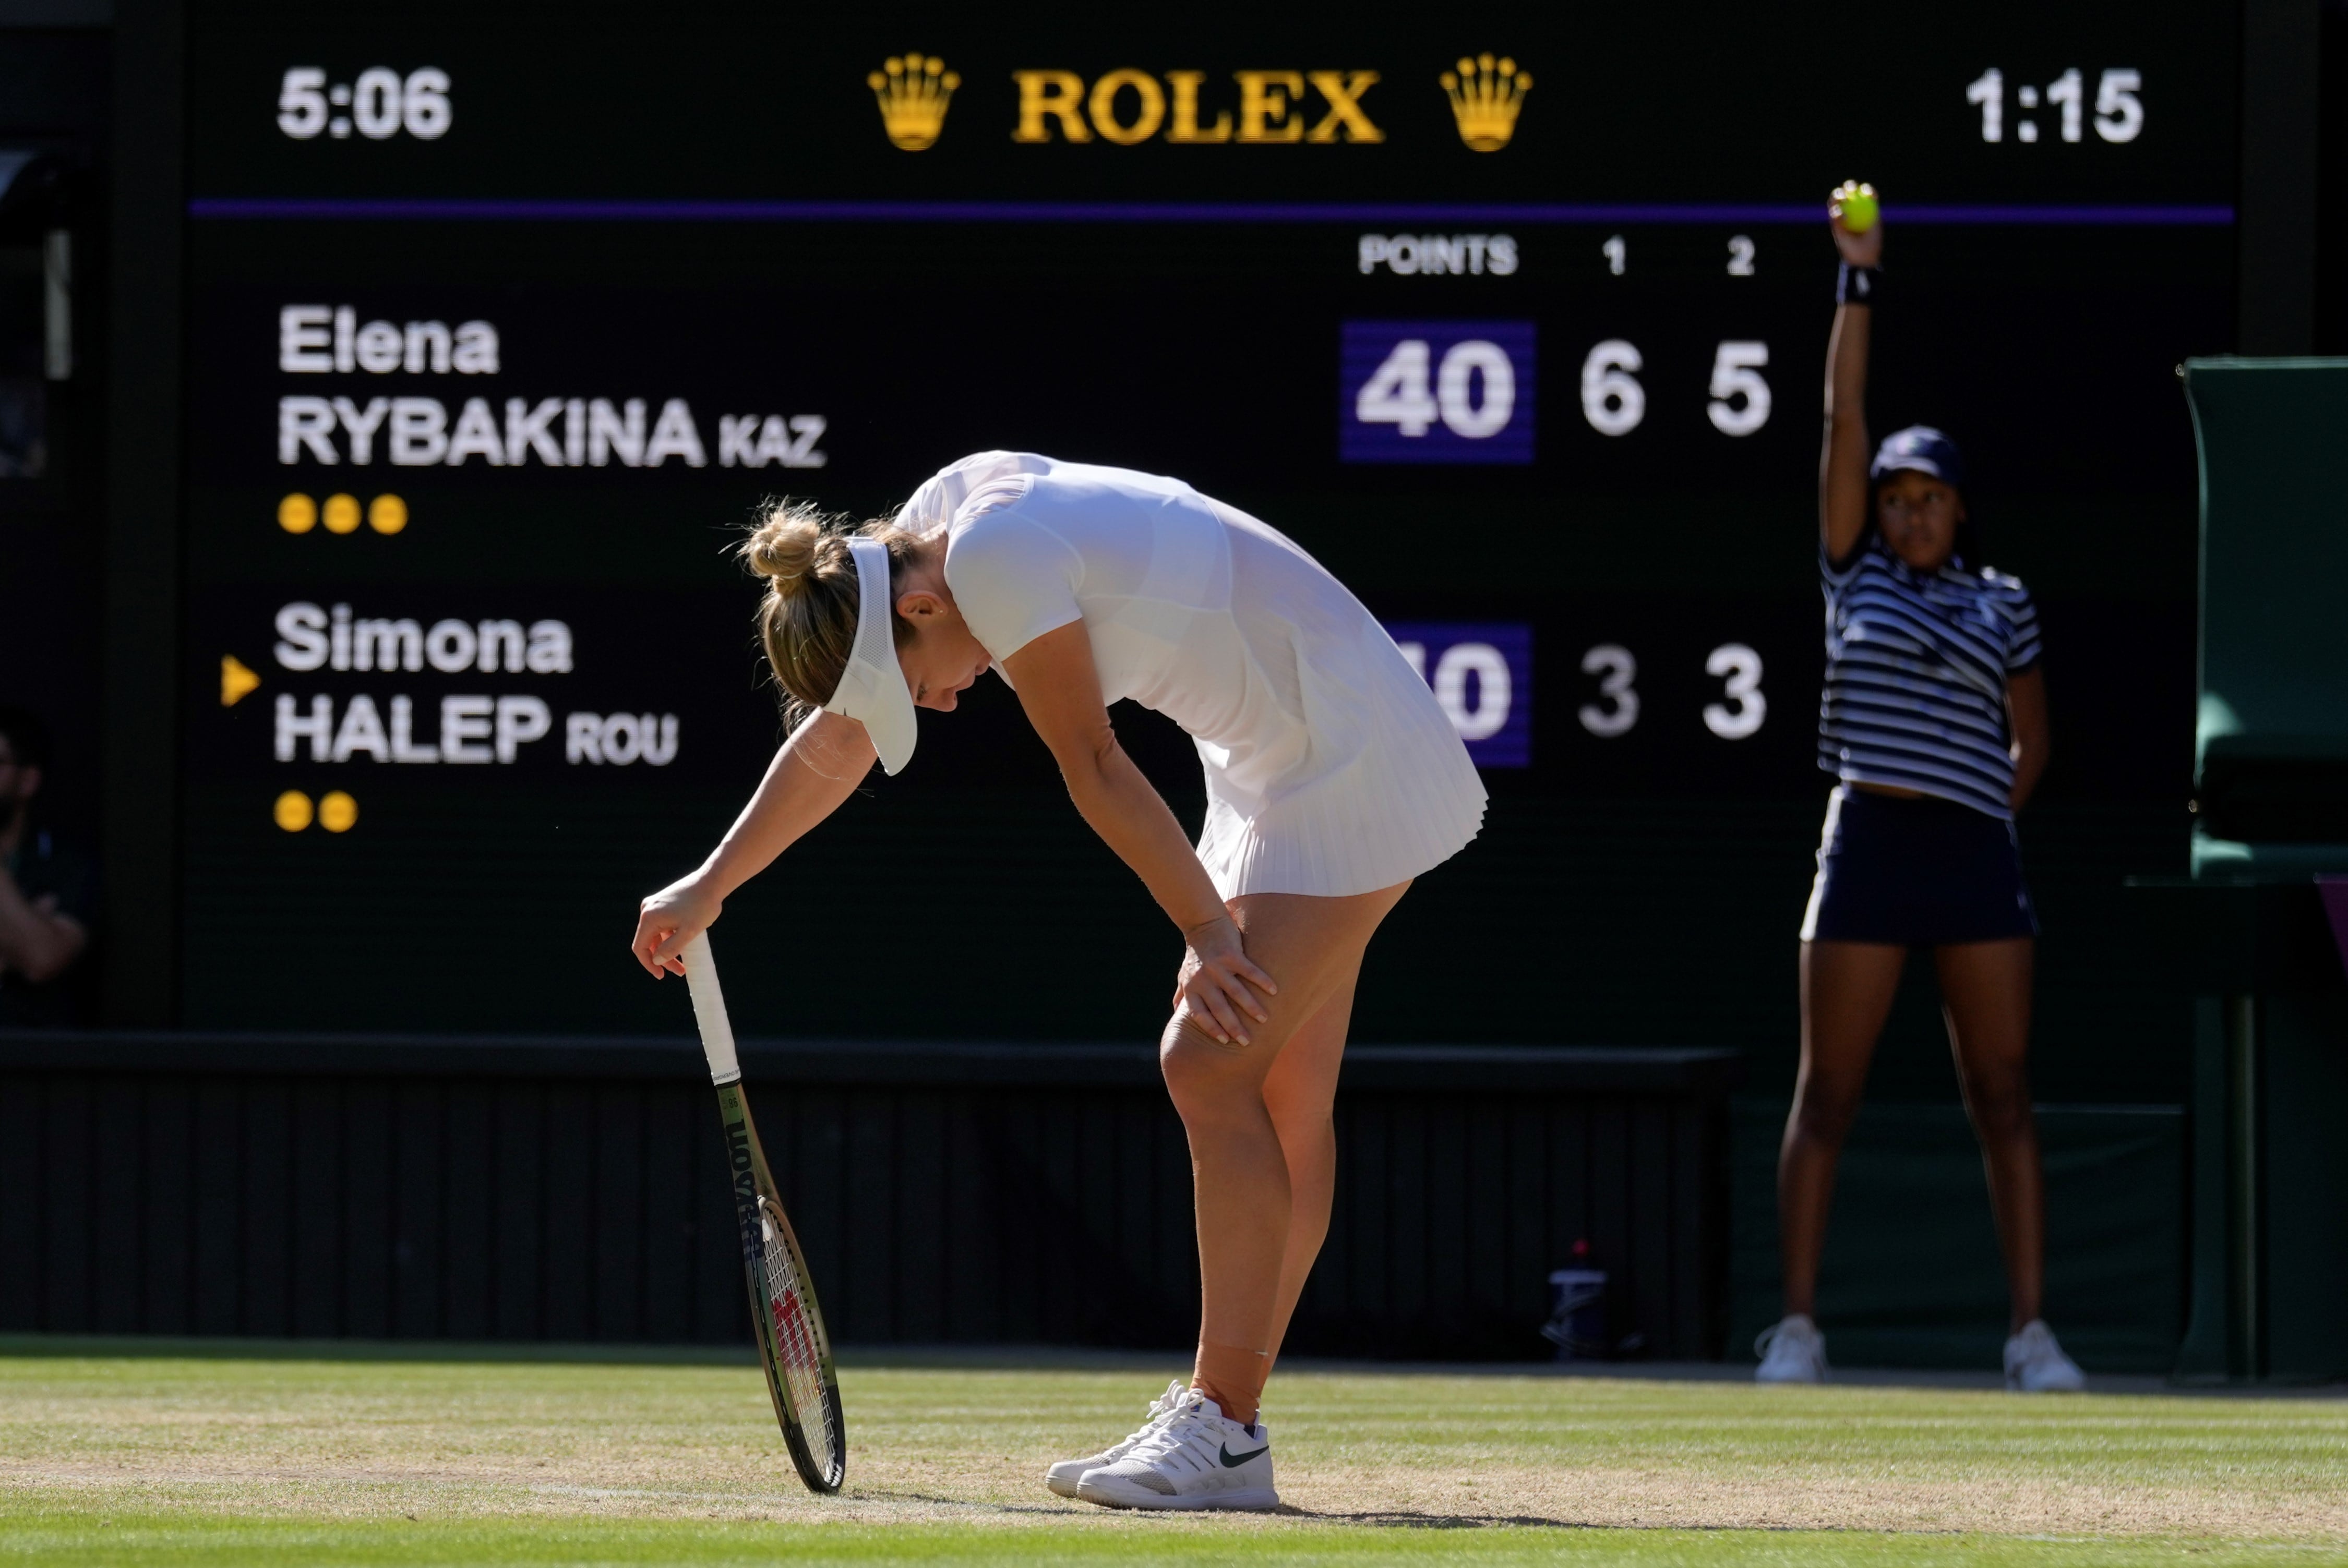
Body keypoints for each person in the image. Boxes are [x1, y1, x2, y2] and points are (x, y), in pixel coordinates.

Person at [629, 452, 1485, 1508]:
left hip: (1346, 746)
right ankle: (1230, 1421)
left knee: (1208, 1066)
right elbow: (841, 740)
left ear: (926, 604)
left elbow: (1093, 761)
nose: (938, 708)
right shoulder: (932, 539)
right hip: (1274, 756)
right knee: (1277, 1098)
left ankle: (1225, 1429)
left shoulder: (990, 554)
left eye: (917, 684)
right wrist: (712, 885)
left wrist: (1209, 933)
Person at [1752, 197, 2085, 1393]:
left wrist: (1983, 815)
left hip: (1970, 857)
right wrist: (1855, 281)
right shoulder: (1852, 577)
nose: (1904, 510)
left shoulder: (2003, 598)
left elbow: (2029, 737)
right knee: (1823, 1090)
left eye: (1923, 496)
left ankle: (2029, 1333)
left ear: (1957, 506)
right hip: (1864, 842)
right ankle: (1794, 1325)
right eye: (1891, 496)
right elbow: (1839, 417)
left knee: (2000, 1090)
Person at [0, 706, 96, 1027]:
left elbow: (42, 959)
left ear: (28, 781)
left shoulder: (65, 865)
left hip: (35, 1060)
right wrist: (28, 922)